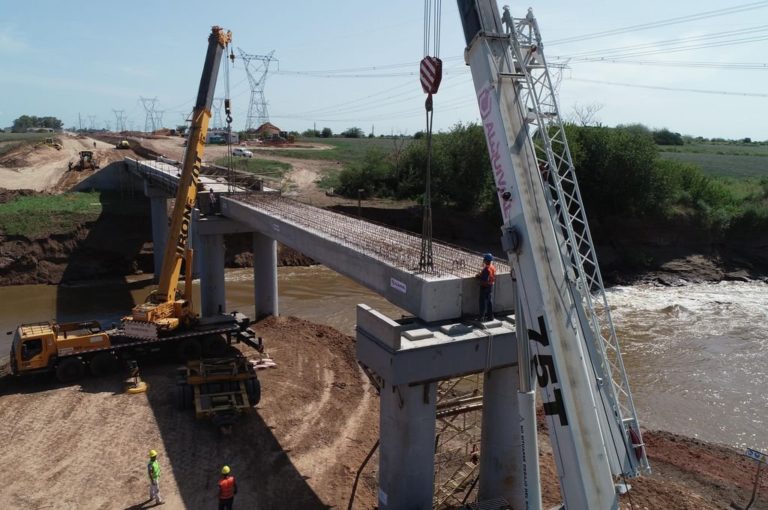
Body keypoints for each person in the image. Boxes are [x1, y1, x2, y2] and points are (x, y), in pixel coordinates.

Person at [475, 253, 496, 321]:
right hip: (490, 286)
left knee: (482, 302)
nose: (483, 260)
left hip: (485, 287)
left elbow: (485, 279)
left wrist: (478, 277)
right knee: (489, 301)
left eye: (484, 259)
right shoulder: (492, 267)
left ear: (486, 260)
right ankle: (490, 317)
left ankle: (481, 317)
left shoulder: (486, 269)